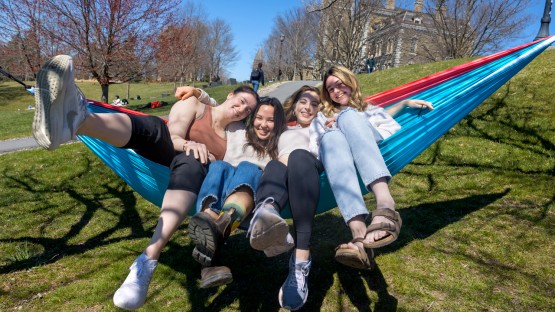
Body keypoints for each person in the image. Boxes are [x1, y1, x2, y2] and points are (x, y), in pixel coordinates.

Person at [32, 55, 258, 310]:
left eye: (247, 110)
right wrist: (189, 142)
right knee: (153, 126)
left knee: (193, 163)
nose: (241, 109)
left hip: (194, 179)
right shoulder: (196, 105)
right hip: (165, 151)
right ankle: (77, 121)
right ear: (230, 96)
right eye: (240, 102)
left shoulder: (235, 138)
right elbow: (173, 135)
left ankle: (147, 260)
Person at [310, 65, 433, 270]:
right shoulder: (322, 117)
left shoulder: (366, 109)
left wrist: (403, 104)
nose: (336, 91)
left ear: (350, 82)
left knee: (348, 116)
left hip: (366, 145)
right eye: (331, 89)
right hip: (338, 157)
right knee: (331, 137)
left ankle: (385, 205)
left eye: (339, 84)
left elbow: (382, 120)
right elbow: (315, 142)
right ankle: (360, 238)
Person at [188, 97, 287, 288]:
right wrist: (197, 92)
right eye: (258, 118)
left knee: (249, 167)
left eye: (270, 120)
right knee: (218, 166)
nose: (263, 125)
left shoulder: (281, 141)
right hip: (221, 184)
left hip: (249, 190)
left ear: (279, 122)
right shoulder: (237, 129)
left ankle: (212, 250)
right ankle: (209, 231)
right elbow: (221, 106)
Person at [247, 85, 323, 310]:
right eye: (304, 101)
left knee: (298, 156)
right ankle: (266, 215)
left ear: (320, 109)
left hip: (308, 172)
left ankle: (300, 262)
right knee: (274, 164)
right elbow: (247, 122)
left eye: (314, 104)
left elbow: (363, 117)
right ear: (295, 103)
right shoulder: (282, 129)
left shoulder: (322, 126)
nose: (308, 107)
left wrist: (402, 105)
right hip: (281, 178)